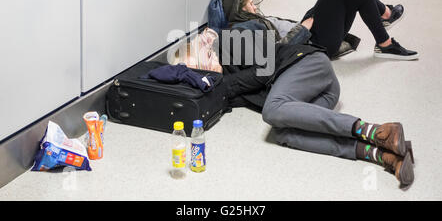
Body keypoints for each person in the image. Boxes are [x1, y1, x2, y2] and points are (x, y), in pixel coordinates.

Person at [171, 24, 415, 189]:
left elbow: (262, 71)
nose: (204, 74)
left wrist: (222, 86)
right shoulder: (222, 76)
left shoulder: (230, 42)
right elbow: (231, 97)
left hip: (310, 65)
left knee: (272, 110)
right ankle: (384, 153)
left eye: (200, 66)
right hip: (316, 94)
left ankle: (375, 130)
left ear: (204, 50)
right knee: (285, 134)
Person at [222, 0, 418, 60]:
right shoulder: (245, 28)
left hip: (313, 31)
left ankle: (384, 42)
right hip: (315, 43)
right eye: (249, 4)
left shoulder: (254, 20)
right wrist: (303, 28)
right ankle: (386, 15)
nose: (255, 7)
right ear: (239, 10)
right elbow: (274, 54)